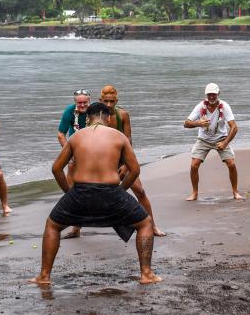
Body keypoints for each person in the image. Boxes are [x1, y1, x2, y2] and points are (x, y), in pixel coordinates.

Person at [30, 102, 161, 285]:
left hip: (80, 192)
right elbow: (135, 170)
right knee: (145, 223)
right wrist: (121, 191)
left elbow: (56, 169)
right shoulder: (119, 137)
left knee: (53, 226)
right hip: (111, 192)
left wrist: (69, 193)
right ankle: (146, 274)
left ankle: (44, 276)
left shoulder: (76, 137)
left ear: (88, 119)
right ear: (108, 118)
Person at [100, 85, 166, 236]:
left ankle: (152, 226)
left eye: (112, 101)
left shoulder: (122, 115)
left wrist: (126, 164)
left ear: (116, 100)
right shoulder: (95, 116)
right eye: (105, 101)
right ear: (100, 100)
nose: (109, 105)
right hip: (103, 162)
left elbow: (128, 141)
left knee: (140, 192)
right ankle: (76, 228)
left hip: (122, 160)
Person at [183, 83, 243, 201]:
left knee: (231, 164)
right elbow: (186, 123)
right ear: (206, 95)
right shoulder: (200, 106)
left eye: (213, 94)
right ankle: (194, 193)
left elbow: (234, 127)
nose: (211, 97)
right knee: (194, 165)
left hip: (221, 138)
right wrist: (198, 123)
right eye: (209, 94)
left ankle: (235, 192)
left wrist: (225, 143)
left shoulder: (224, 106)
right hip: (203, 139)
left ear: (218, 94)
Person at [55, 89, 91, 238]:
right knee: (72, 190)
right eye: (79, 102)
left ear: (89, 101)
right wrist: (69, 152)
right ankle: (76, 227)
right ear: (75, 102)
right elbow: (60, 134)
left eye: (85, 102)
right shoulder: (70, 111)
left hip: (93, 150)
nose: (82, 105)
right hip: (75, 150)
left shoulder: (94, 110)